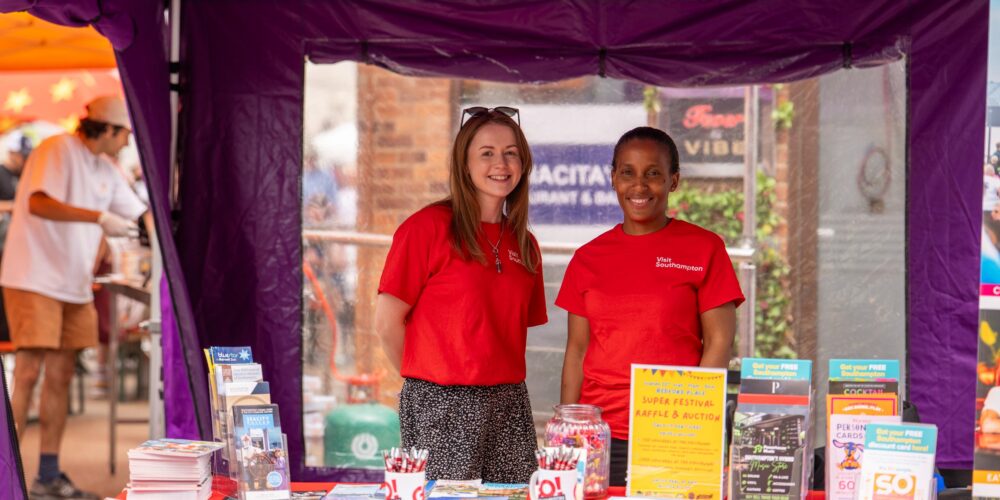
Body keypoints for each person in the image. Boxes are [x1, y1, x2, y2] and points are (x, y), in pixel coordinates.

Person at [556, 126, 745, 486]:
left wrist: (692, 422)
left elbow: (718, 343)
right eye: (628, 172)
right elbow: (577, 350)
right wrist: (568, 427)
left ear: (673, 181)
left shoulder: (704, 248)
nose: (639, 186)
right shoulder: (587, 259)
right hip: (598, 434)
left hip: (672, 433)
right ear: (613, 178)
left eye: (653, 173)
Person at [375, 106, 547, 483]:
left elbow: (507, 335)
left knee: (515, 496)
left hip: (509, 404)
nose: (501, 163)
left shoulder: (525, 244)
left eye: (511, 153)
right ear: (464, 164)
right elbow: (387, 323)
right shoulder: (427, 228)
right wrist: (427, 384)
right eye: (487, 153)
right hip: (441, 402)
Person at [1, 95, 149, 499]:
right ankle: (4, 477)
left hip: (74, 284)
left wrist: (158, 234)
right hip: (33, 277)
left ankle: (47, 474)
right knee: (27, 374)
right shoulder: (58, 149)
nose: (127, 142)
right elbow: (39, 202)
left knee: (62, 375)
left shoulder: (105, 167)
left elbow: (139, 213)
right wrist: (98, 217)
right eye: (126, 134)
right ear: (108, 129)